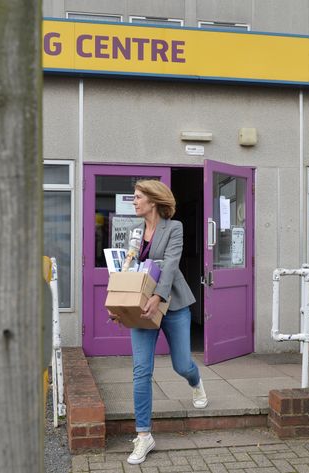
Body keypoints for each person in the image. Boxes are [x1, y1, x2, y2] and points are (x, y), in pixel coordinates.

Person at [109, 179, 207, 465]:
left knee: (181, 364)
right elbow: (127, 270)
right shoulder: (135, 232)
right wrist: (118, 304)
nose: (135, 201)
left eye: (138, 197)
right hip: (141, 309)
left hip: (172, 305)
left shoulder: (174, 228)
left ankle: (196, 381)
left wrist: (159, 296)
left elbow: (171, 263)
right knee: (141, 371)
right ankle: (143, 436)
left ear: (153, 200)